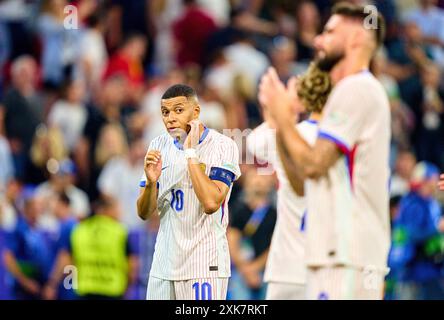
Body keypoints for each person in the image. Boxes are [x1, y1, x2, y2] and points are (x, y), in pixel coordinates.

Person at [258, 2, 390, 299]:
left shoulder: (357, 88)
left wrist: (282, 117)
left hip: (349, 255)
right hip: (332, 255)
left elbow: (314, 164)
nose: (318, 39)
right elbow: (303, 182)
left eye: (330, 32)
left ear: (356, 38)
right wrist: (282, 123)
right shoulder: (346, 94)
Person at [137, 84, 241, 300]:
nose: (170, 118)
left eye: (178, 110)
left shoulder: (223, 146)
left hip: (205, 264)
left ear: (196, 112)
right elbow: (144, 213)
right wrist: (150, 183)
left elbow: (211, 203)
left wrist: (190, 152)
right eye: (165, 112)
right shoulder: (158, 145)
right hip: (164, 265)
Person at [247, 63, 331, 300]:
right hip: (330, 265)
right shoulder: (345, 139)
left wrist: (279, 111)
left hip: (287, 267)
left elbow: (255, 143)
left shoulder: (292, 135)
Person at [46, 197, 138, 300]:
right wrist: (129, 287)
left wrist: (52, 284)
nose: (120, 213)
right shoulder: (121, 231)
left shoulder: (79, 229)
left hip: (85, 289)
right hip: (112, 290)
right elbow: (132, 264)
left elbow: (66, 260)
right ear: (106, 210)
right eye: (117, 209)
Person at [389, 161, 444, 299]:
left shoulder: (431, 203)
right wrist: (437, 229)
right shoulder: (412, 203)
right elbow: (411, 235)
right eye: (433, 179)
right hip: (413, 272)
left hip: (431, 270)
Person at [227, 168, 276, 300]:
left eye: (262, 178)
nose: (258, 182)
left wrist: (255, 267)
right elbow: (232, 241)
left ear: (270, 184)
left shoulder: (275, 213)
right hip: (240, 272)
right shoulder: (238, 210)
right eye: (254, 178)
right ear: (246, 183)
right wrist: (245, 269)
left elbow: (275, 245)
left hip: (267, 270)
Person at [3, 193, 52, 300]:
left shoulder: (40, 229)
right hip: (23, 288)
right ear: (28, 209)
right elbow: (8, 257)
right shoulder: (19, 229)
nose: (40, 209)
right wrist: (25, 281)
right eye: (37, 206)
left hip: (40, 284)